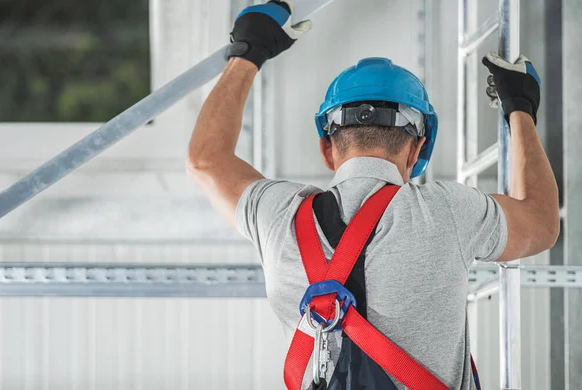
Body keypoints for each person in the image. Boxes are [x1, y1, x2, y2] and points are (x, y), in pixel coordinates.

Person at [186, 1, 560, 389]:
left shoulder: (279, 216)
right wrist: (520, 107)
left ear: (327, 149)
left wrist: (250, 50)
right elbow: (542, 222)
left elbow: (205, 160)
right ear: (417, 151)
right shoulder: (448, 212)